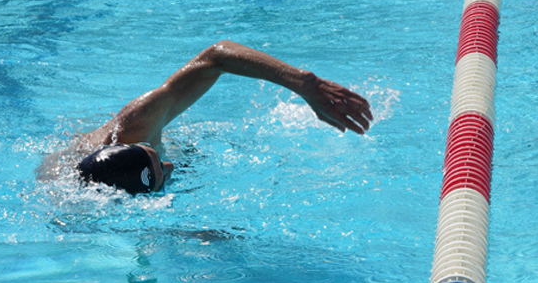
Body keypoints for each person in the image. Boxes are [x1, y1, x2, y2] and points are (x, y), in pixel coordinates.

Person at [50, 40, 373, 194]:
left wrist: (304, 84)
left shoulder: (135, 127)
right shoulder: (73, 198)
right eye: (161, 172)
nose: (171, 164)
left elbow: (216, 56)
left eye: (156, 156)